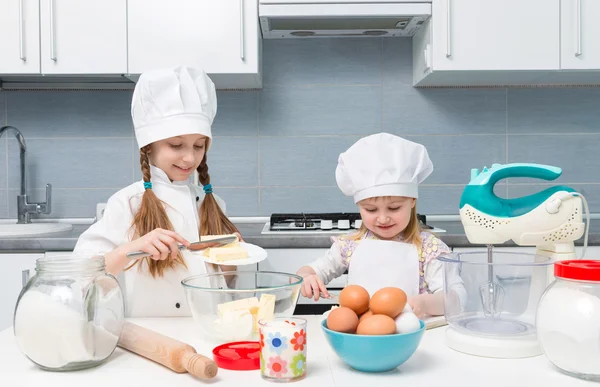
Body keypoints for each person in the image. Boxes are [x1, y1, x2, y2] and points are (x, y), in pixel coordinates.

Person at [74, 65, 240, 317]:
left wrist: (231, 260)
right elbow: (81, 278)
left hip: (207, 332)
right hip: (152, 336)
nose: (189, 157)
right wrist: (131, 249)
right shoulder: (127, 203)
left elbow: (223, 285)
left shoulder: (213, 202)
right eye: (176, 145)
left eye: (198, 146)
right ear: (148, 147)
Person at [296, 133, 452, 319]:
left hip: (413, 338)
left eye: (394, 208)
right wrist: (307, 278)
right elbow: (308, 272)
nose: (383, 218)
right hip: (359, 337)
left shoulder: (428, 248)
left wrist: (424, 303)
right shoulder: (350, 245)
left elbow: (454, 298)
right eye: (371, 210)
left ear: (412, 201)